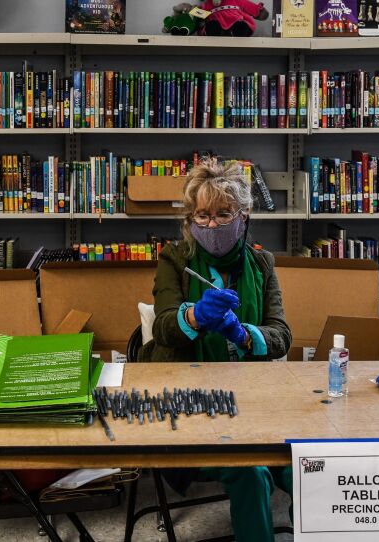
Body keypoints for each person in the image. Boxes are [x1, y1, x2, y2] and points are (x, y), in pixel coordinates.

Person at [139, 158, 292, 542]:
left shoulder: (262, 263)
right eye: (202, 215)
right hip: (192, 407)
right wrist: (194, 317)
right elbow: (162, 328)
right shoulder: (175, 260)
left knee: (312, 467)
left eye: (224, 214)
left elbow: (281, 335)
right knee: (252, 472)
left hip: (257, 405)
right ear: (189, 219)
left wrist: (243, 334)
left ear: (244, 216)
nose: (212, 224)